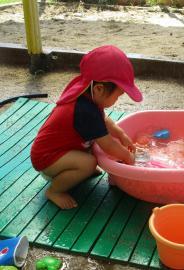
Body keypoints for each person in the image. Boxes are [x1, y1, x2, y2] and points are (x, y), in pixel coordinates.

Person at [31, 45, 142, 209]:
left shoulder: (87, 92)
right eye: (118, 95)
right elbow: (108, 145)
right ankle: (54, 191)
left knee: (96, 144)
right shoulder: (84, 110)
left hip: (62, 151)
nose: (117, 99)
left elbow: (103, 119)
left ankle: (77, 168)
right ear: (99, 89)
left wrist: (121, 134)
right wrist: (128, 157)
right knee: (88, 163)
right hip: (47, 160)